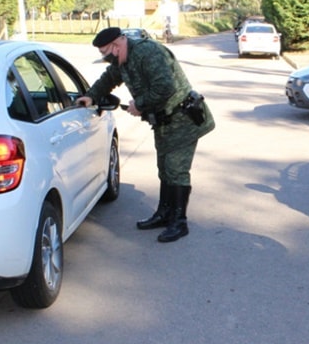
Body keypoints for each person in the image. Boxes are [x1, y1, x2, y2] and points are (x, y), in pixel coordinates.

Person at [76, 27, 215, 243]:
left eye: (106, 52)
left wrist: (139, 105)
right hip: (164, 122)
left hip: (183, 119)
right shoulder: (121, 60)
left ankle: (179, 222)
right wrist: (91, 96)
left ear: (118, 44)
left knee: (176, 170)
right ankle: (164, 214)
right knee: (164, 168)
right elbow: (109, 78)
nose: (106, 58)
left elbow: (165, 87)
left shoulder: (147, 52)